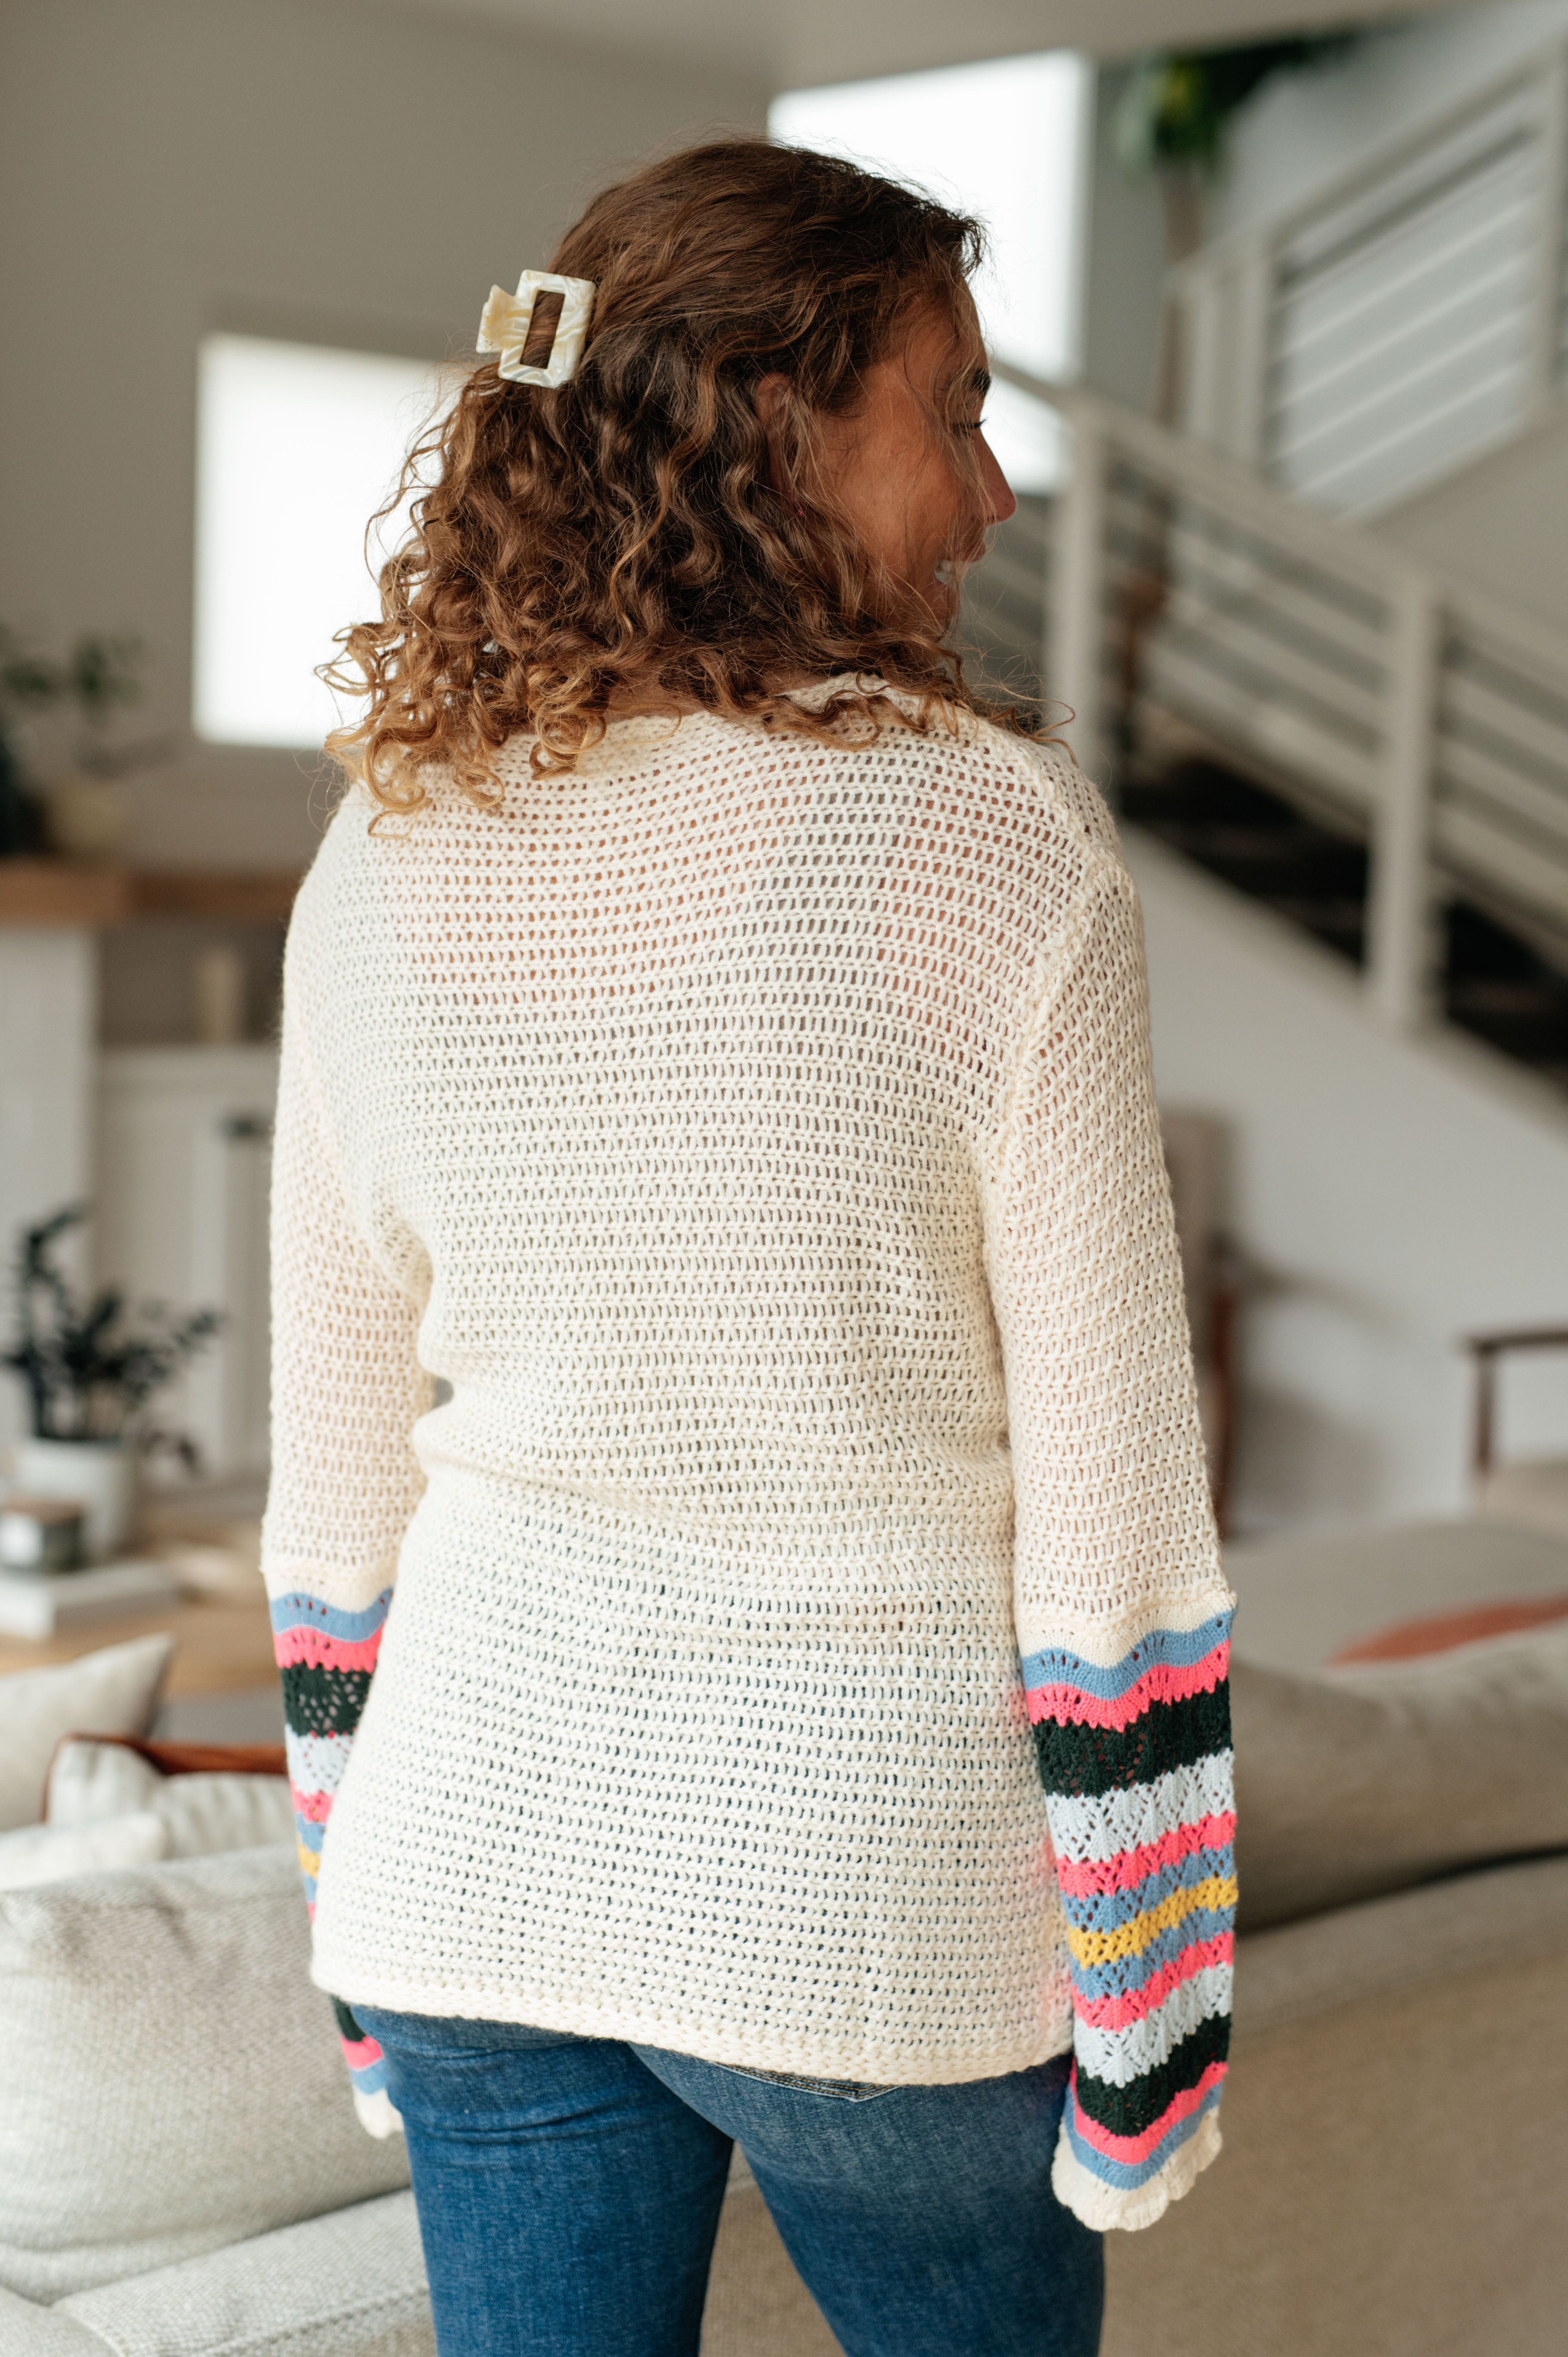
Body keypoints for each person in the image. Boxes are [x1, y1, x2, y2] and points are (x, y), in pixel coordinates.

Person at [263, 138, 1237, 2357]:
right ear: (773, 424)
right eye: (957, 405)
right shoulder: (997, 844)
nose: (995, 491)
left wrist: (362, 1909)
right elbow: (1116, 1509)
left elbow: (330, 1488)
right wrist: (1152, 2034)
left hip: (467, 1883)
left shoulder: (390, 833)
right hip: (868, 1918)